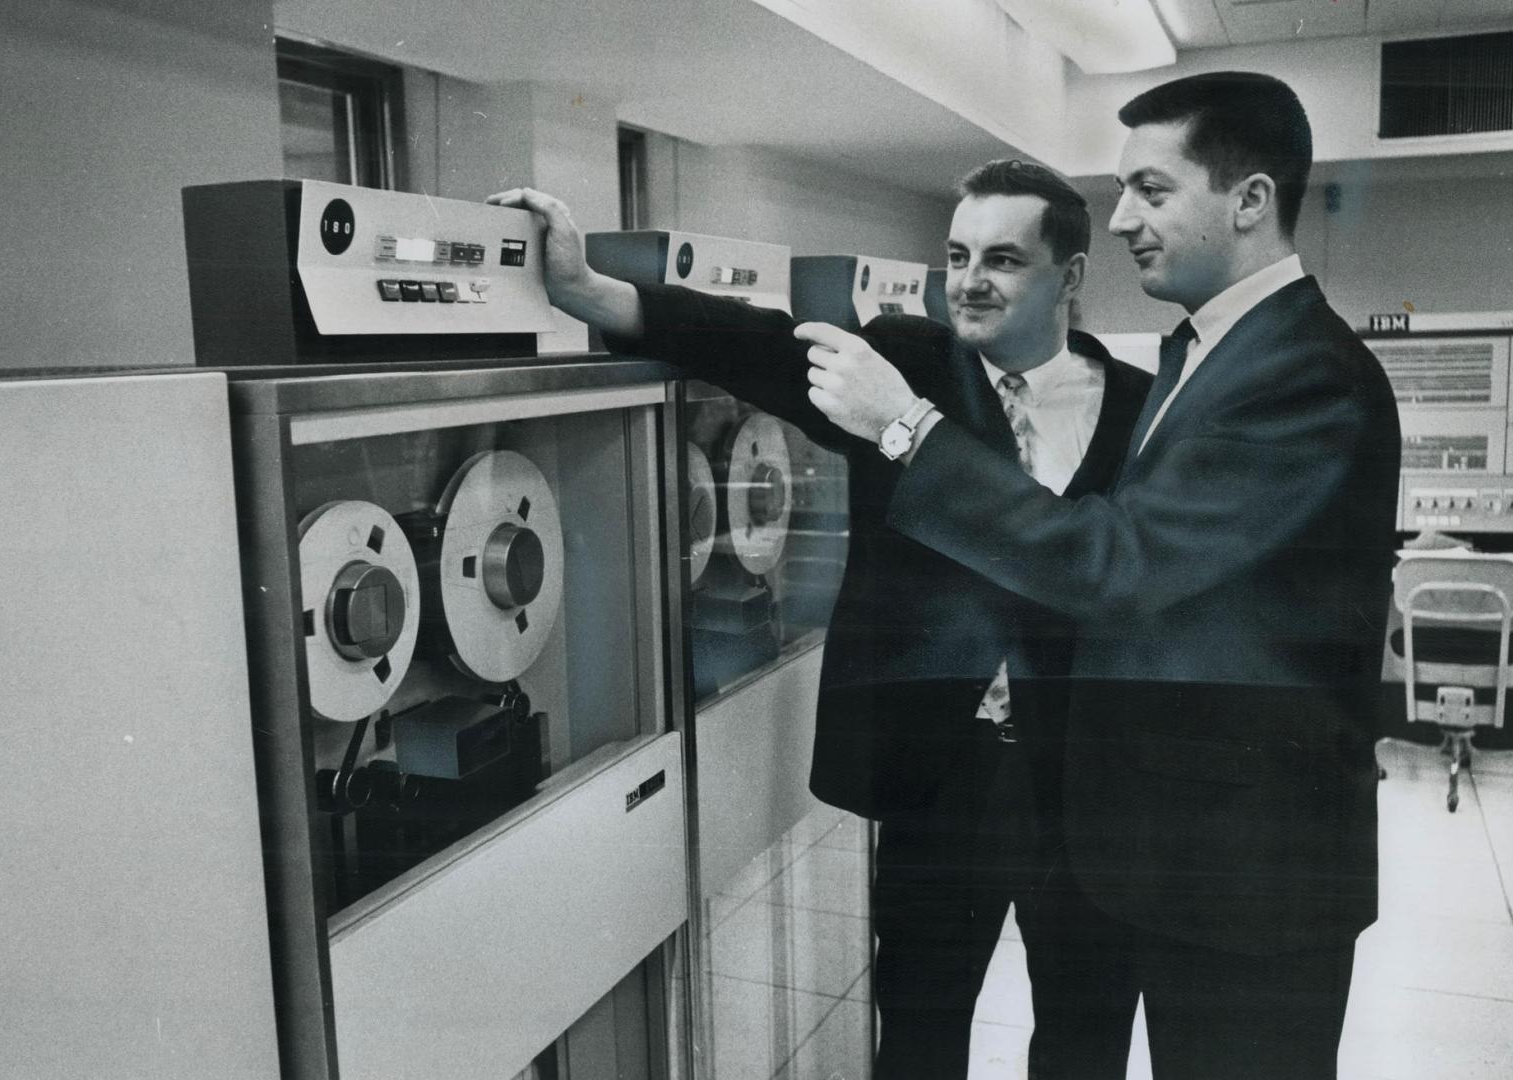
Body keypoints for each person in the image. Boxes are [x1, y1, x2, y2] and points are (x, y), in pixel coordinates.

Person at [490, 161, 1151, 1079]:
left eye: (1002, 259)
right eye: (957, 255)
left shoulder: (1143, 409)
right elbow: (755, 341)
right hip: (939, 774)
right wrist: (586, 289)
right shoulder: (907, 366)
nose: (968, 280)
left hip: (1084, 783)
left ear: (1069, 276)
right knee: (918, 1028)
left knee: (1085, 1034)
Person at [803, 72, 1401, 1079]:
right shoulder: (1212, 352)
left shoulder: (1300, 372)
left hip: (1248, 883)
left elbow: (1115, 566)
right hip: (1192, 854)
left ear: (1249, 200)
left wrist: (907, 429)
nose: (1122, 218)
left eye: (1152, 191)